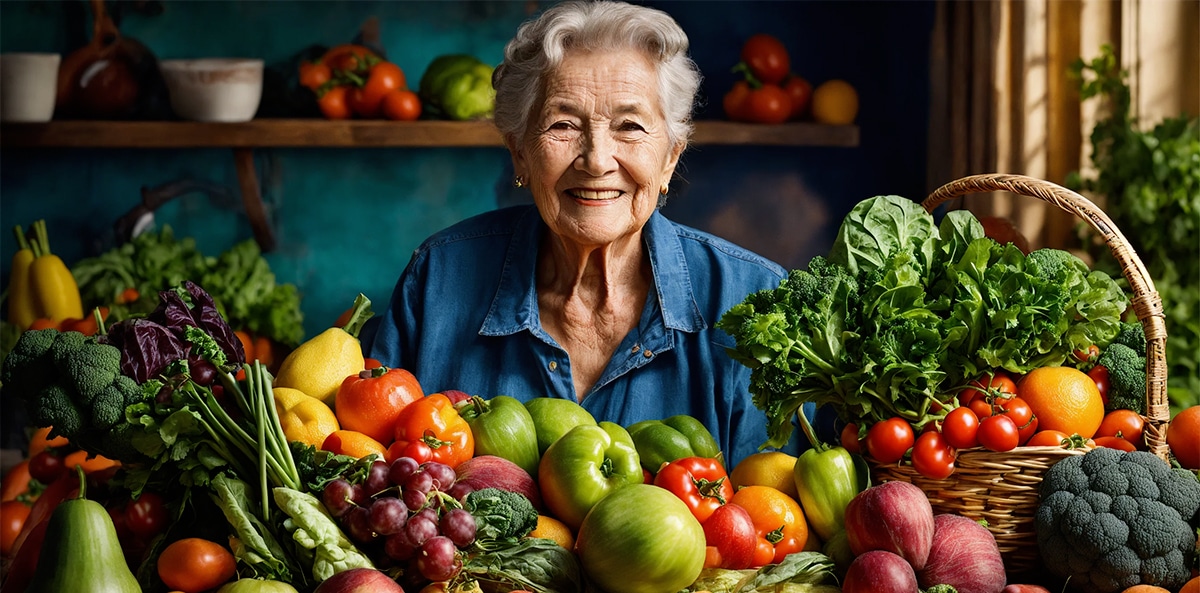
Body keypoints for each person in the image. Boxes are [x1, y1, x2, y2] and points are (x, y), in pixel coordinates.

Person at [367, 0, 799, 467]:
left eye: (629, 126)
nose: (596, 160)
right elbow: (375, 470)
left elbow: (778, 514)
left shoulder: (758, 303)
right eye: (564, 125)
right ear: (519, 154)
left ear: (670, 157)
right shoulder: (438, 280)